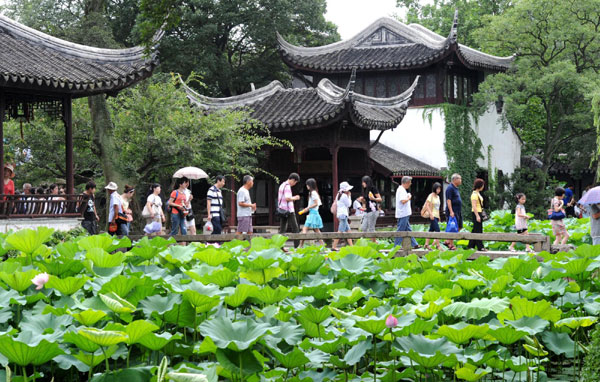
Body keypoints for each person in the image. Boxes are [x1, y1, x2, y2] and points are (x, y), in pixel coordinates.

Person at [394, 176, 419, 249]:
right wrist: (409, 197)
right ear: (407, 183)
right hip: (403, 213)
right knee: (401, 230)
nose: (410, 184)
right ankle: (396, 246)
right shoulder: (401, 190)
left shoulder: (402, 189)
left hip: (404, 213)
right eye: (410, 183)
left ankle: (414, 244)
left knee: (408, 229)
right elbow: (403, 201)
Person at [299, 178, 325, 247]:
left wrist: (308, 208)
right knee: (317, 230)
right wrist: (306, 209)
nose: (306, 186)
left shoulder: (313, 193)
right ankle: (323, 245)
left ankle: (300, 246)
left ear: (309, 185)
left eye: (307, 185)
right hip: (313, 213)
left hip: (313, 214)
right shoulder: (313, 193)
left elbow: (316, 203)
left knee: (304, 229)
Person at [278, 173, 301, 248]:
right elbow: (287, 198)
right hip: (289, 210)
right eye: (295, 182)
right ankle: (297, 247)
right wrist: (296, 197)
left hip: (282, 209)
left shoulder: (282, 185)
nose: (294, 184)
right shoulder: (287, 186)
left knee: (282, 229)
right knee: (295, 228)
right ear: (293, 180)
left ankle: (281, 247)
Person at [332, 181, 354, 251]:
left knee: (348, 230)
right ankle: (334, 246)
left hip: (340, 214)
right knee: (340, 231)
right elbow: (349, 204)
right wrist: (349, 196)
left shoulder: (338, 194)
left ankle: (352, 246)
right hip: (343, 215)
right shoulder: (344, 196)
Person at [468, 178, 487, 251]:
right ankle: (480, 247)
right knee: (478, 230)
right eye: (482, 185)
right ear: (480, 185)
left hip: (479, 212)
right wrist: (477, 216)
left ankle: (471, 245)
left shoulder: (478, 193)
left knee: (475, 230)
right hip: (476, 213)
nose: (483, 187)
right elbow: (474, 206)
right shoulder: (474, 194)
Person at [445, 173, 463, 250]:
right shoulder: (450, 188)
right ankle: (451, 244)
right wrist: (451, 211)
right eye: (460, 179)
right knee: (453, 227)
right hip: (452, 211)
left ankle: (447, 241)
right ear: (455, 179)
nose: (461, 180)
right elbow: (448, 200)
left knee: (460, 226)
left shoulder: (456, 188)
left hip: (458, 211)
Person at [424, 182, 443, 251]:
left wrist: (439, 216)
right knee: (437, 230)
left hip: (436, 215)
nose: (439, 190)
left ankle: (426, 244)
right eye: (438, 189)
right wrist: (431, 214)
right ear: (435, 188)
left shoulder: (438, 197)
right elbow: (427, 205)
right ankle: (438, 246)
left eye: (440, 189)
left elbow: (437, 207)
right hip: (432, 215)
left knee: (431, 230)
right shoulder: (431, 195)